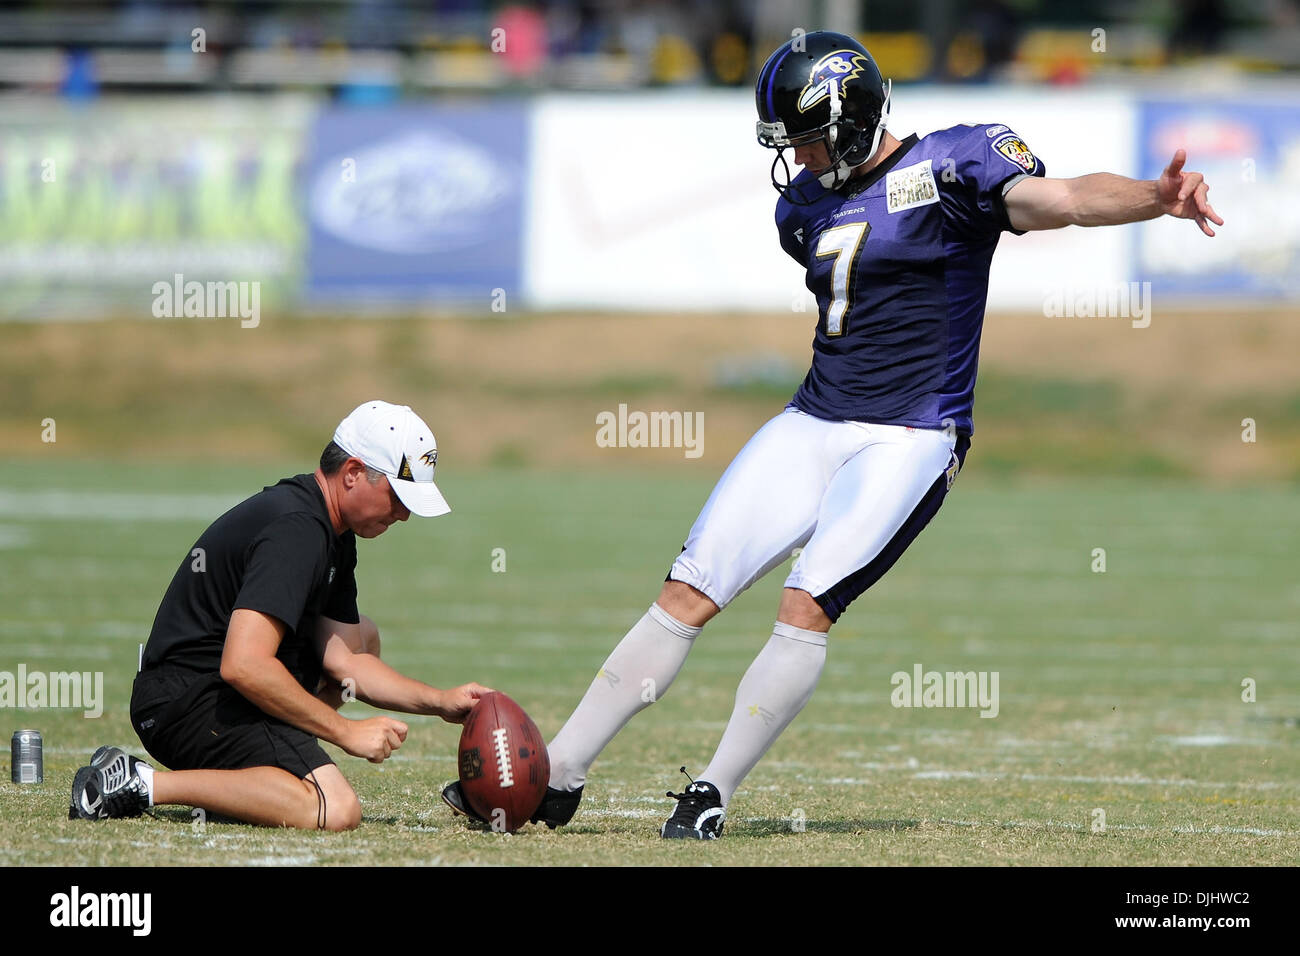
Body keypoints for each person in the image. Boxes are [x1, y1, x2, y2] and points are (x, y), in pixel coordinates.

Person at [442, 30, 1224, 839]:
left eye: (807, 138)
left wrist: (1150, 197)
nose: (798, 159)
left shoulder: (959, 161)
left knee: (804, 605)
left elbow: (1058, 200)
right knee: (686, 591)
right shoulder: (802, 207)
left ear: (849, 122)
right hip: (813, 420)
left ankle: (711, 790)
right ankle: (559, 773)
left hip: (912, 435)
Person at [70, 400, 492, 831]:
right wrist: (345, 731)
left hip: (205, 688)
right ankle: (141, 783)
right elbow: (243, 665)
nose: (404, 514)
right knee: (335, 809)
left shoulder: (333, 532)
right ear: (351, 474)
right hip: (189, 701)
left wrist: (439, 702)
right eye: (398, 497)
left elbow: (346, 663)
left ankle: (260, 783)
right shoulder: (298, 530)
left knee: (363, 635)